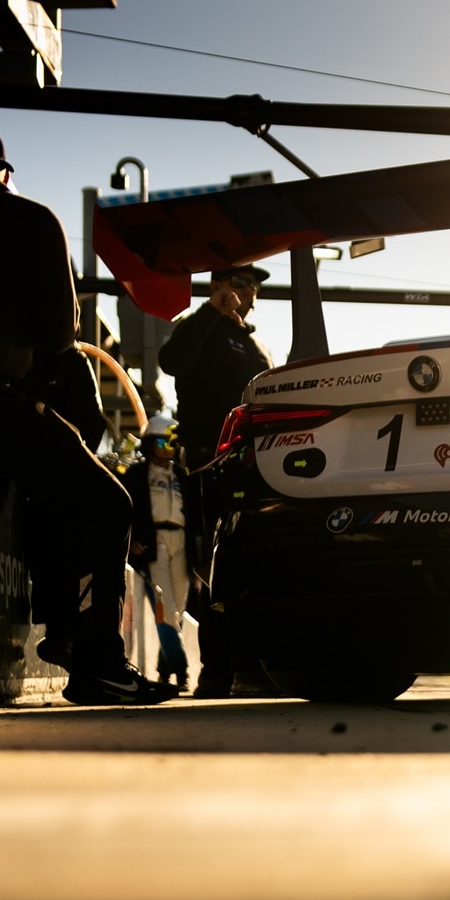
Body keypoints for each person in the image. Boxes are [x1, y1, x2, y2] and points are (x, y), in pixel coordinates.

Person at [0, 122, 174, 704]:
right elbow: (57, 334)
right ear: (5, 172)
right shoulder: (30, 219)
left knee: (51, 480)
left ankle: (63, 631)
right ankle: (99, 662)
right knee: (106, 500)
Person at [158, 265, 274, 696]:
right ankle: (219, 670)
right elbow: (170, 361)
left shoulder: (254, 342)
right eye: (240, 283)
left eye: (254, 284)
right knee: (213, 570)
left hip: (257, 467)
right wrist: (210, 312)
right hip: (209, 464)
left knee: (252, 563)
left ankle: (253, 664)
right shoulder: (198, 327)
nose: (249, 292)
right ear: (218, 286)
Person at [121, 414, 191, 688]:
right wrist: (133, 540)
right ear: (149, 445)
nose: (167, 449)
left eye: (171, 443)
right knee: (165, 608)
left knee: (178, 611)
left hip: (182, 542)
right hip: (155, 542)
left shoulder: (182, 475)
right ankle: (181, 669)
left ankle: (164, 667)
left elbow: (194, 516)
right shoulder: (137, 474)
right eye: (161, 442)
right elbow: (127, 508)